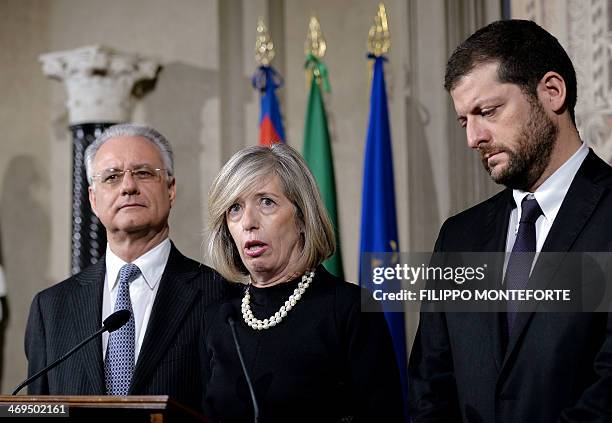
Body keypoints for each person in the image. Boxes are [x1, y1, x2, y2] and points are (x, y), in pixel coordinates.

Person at [408, 19, 612, 422]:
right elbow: (430, 387)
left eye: (487, 111)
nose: (473, 138)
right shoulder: (458, 237)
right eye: (465, 120)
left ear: (552, 92)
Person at [25, 124, 226, 411]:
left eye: (143, 173)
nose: (128, 186)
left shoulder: (218, 295)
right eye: (112, 177)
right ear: (93, 199)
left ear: (170, 189)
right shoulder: (51, 309)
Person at [202, 143, 403, 422]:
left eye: (266, 202)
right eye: (234, 208)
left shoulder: (349, 308)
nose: (248, 221)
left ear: (301, 218)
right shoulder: (220, 316)